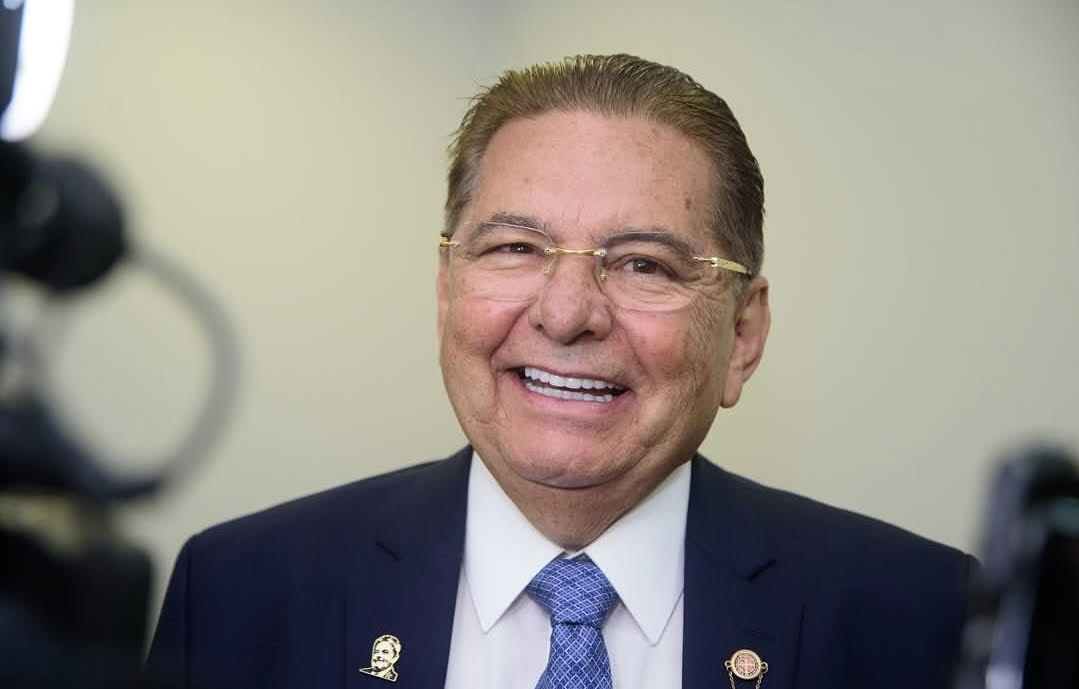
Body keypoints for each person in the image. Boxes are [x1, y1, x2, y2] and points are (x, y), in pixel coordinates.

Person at [147, 54, 973, 689]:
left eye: (644, 263)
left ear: (743, 334)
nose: (566, 312)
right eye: (514, 248)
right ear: (446, 291)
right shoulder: (240, 590)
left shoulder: (923, 618)